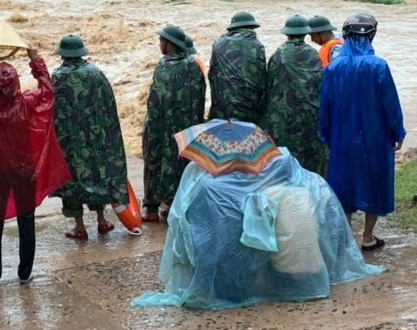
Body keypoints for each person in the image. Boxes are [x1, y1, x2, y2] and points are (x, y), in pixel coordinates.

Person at [132, 127, 383, 311]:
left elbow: (188, 227)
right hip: (298, 268)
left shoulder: (208, 184)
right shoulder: (287, 176)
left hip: (235, 267)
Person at [0, 48, 71, 288]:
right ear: (16, 83)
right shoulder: (28, 103)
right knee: (26, 219)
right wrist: (36, 61)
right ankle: (24, 274)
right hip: (24, 170)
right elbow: (48, 91)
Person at [319, 13, 405, 252]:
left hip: (342, 137)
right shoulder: (378, 65)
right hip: (375, 137)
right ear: (372, 36)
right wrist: (398, 132)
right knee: (375, 182)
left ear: (346, 36)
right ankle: (367, 237)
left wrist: (326, 135)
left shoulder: (334, 68)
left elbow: (325, 106)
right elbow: (391, 104)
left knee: (343, 182)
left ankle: (347, 236)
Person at [51, 34, 128, 240]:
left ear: (63, 55)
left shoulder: (58, 76)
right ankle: (102, 221)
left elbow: (51, 109)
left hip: (68, 140)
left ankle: (79, 227)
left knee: (72, 181)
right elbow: (109, 104)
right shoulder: (95, 73)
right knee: (96, 176)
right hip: (94, 136)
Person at [142, 24, 207, 222]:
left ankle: (151, 209)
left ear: (171, 45)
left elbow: (155, 98)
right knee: (178, 164)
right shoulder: (193, 65)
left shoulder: (162, 65)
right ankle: (172, 206)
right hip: (183, 127)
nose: (160, 43)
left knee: (154, 162)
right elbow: (199, 96)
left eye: (162, 41)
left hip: (157, 125)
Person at [262, 15, 326, 174]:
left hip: (285, 116)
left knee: (286, 155)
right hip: (310, 114)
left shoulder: (279, 54)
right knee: (309, 155)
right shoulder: (313, 54)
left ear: (287, 34)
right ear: (306, 34)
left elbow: (269, 83)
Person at [208, 12, 267, 123]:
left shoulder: (218, 43)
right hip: (249, 110)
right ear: (251, 27)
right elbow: (261, 79)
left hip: (222, 108)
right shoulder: (257, 46)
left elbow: (212, 74)